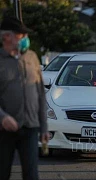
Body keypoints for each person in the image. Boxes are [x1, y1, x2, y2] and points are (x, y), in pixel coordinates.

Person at [0, 17, 49, 180]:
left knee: (31, 175)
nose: (26, 39)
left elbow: (40, 93)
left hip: (30, 127)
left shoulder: (32, 57)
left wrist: (44, 127)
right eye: (21, 35)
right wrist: (3, 117)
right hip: (4, 130)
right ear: (7, 37)